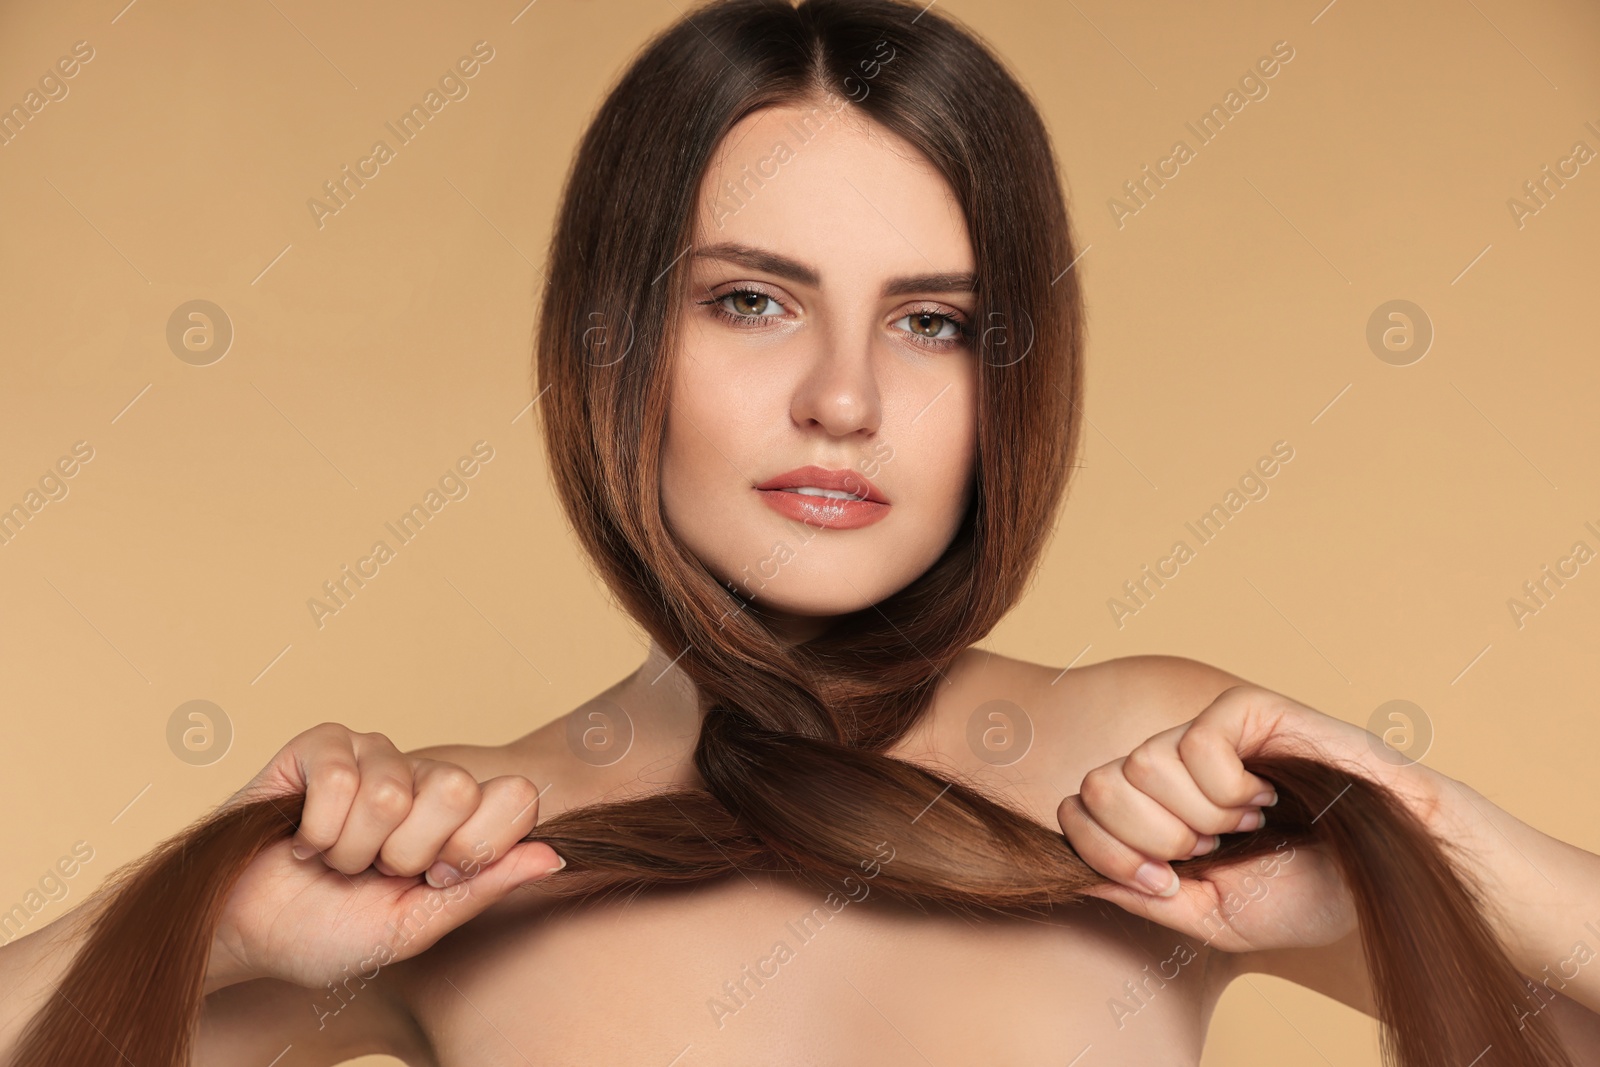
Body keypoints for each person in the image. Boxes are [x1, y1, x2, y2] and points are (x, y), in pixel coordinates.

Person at [4, 1, 1598, 1064]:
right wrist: (198, 922)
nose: (843, 398)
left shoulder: (1160, 784)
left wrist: (1423, 836)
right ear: (617, 342)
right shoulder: (460, 859)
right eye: (753, 302)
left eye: (935, 324)